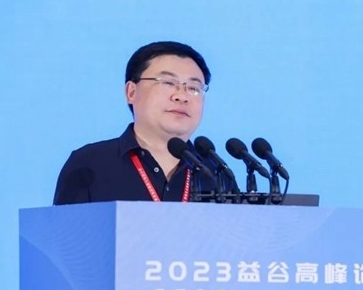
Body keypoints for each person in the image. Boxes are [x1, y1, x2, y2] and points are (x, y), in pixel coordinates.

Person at [53, 41, 230, 205]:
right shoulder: (90, 164)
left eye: (193, 88)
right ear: (131, 92)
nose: (182, 96)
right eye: (168, 83)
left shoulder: (216, 174)